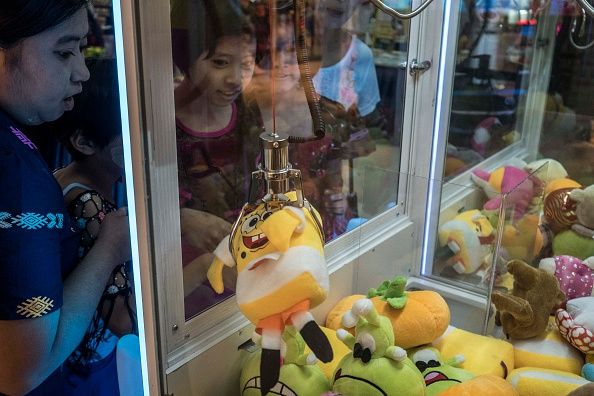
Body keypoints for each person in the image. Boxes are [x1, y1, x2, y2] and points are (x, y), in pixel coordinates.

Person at [0, 2, 131, 395]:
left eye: (82, 51)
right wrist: (109, 248)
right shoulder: (17, 177)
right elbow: (22, 371)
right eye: (63, 52)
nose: (82, 72)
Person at [170, 0, 263, 318]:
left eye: (247, 63)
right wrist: (181, 218)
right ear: (184, 55)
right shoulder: (160, 120)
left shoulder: (248, 110)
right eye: (220, 62)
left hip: (246, 269)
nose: (236, 79)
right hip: (184, 286)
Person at [52, 57, 136, 393]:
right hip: (95, 368)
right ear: (84, 142)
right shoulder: (88, 206)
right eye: (128, 132)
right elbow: (123, 321)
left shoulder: (67, 177)